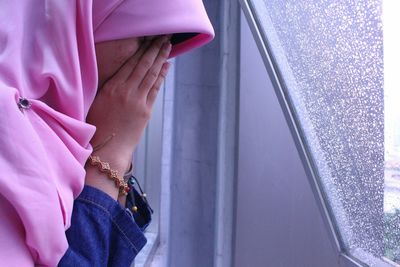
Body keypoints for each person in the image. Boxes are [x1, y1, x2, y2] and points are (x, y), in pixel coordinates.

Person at [0, 1, 214, 266]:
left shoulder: (67, 133)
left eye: (165, 45)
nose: (153, 64)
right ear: (74, 24)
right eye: (145, 39)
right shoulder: (8, 130)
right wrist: (112, 156)